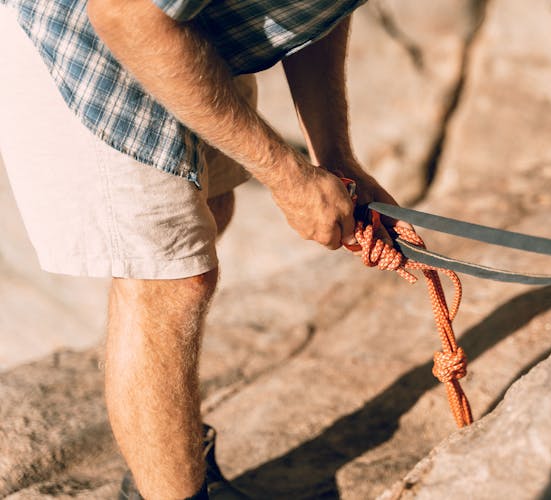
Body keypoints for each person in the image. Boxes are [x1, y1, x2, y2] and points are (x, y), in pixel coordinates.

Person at [0, 0, 408, 497]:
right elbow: (123, 14)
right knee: (171, 277)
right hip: (91, 43)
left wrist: (334, 154)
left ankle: (163, 462)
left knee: (211, 212)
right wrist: (287, 175)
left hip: (190, 31)